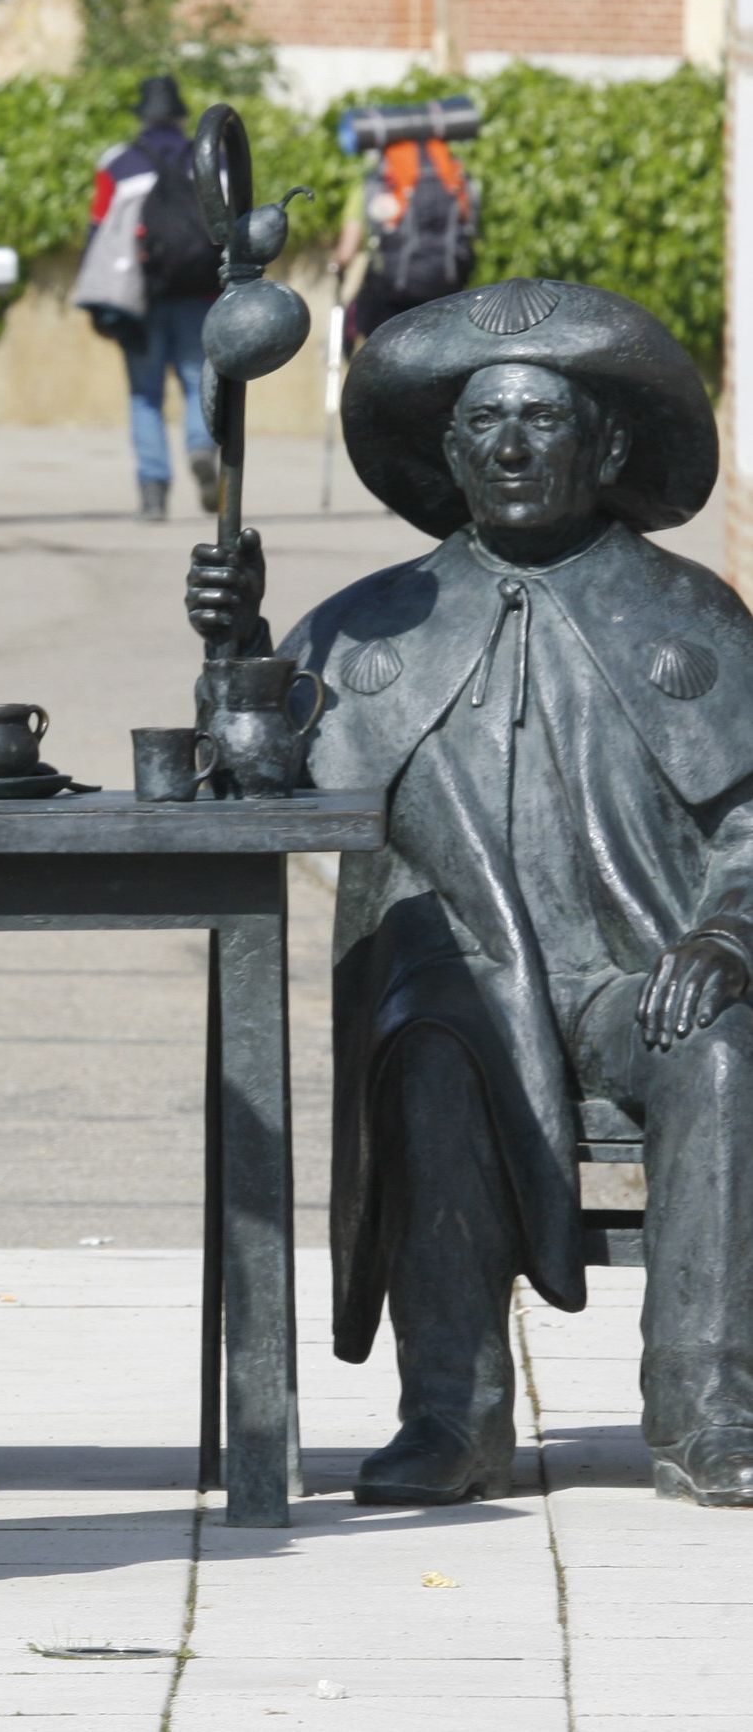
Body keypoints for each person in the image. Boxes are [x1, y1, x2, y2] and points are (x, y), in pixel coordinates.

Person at [187, 276, 753, 1510]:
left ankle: (711, 1411)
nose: (508, 445)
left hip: (630, 977)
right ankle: (454, 1414)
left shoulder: (690, 615)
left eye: (543, 421)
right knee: (433, 1052)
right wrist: (235, 657)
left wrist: (729, 930)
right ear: (448, 453)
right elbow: (257, 775)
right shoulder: (372, 626)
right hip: (455, 979)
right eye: (483, 424)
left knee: (721, 1042)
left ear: (603, 446)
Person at [91, 76, 220, 522]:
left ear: (142, 117)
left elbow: (99, 234)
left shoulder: (119, 164)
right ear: (182, 117)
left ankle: (152, 491)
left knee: (145, 394)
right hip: (200, 293)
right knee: (196, 383)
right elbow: (232, 226)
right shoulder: (210, 161)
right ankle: (202, 450)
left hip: (140, 297)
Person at [329, 134, 477, 352]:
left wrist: (338, 265)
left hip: (390, 294)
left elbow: (346, 252)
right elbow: (470, 228)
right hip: (446, 288)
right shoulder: (452, 176)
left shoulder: (376, 184)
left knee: (371, 335)